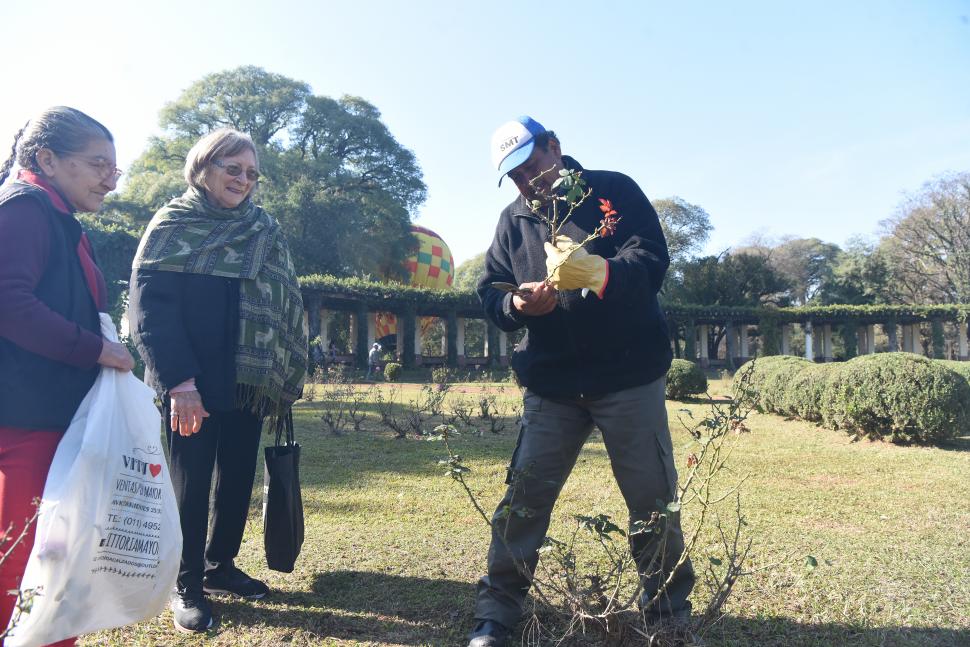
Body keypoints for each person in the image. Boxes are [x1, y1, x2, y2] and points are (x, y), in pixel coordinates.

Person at [468, 116, 695, 646]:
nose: (529, 183)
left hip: (628, 376)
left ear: (555, 148)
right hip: (552, 384)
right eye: (516, 177)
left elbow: (651, 259)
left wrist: (599, 272)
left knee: (651, 498)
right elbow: (491, 291)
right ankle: (497, 614)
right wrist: (516, 303)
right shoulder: (513, 221)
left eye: (531, 166)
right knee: (524, 497)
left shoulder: (613, 191)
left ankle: (667, 618)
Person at [128, 128, 308, 634]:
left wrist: (278, 367)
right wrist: (180, 383)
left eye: (251, 173)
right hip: (192, 381)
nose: (243, 180)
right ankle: (186, 584)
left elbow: (284, 298)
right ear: (202, 169)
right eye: (233, 169)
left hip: (249, 380)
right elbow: (150, 314)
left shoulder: (262, 229)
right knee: (191, 483)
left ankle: (219, 565)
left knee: (236, 479)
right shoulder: (173, 226)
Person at [0, 107, 134, 646]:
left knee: (52, 556)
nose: (109, 178)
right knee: (24, 561)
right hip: (25, 420)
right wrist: (97, 350)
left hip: (51, 416)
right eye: (98, 164)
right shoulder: (25, 210)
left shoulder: (57, 217)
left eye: (114, 169)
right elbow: (9, 303)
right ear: (47, 159)